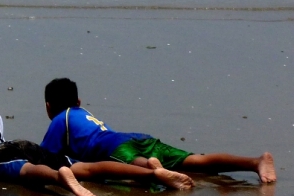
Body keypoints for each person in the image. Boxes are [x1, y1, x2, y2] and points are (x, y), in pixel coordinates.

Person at [0, 68, 193, 196]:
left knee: (26, 171)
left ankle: (60, 177)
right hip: (18, 145)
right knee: (89, 169)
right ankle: (152, 174)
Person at [41, 77, 276, 184]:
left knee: (136, 163)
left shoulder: (60, 120)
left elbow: (44, 157)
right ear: (79, 101)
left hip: (113, 147)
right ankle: (255, 162)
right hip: (136, 138)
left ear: (48, 106)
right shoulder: (85, 115)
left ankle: (155, 169)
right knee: (195, 160)